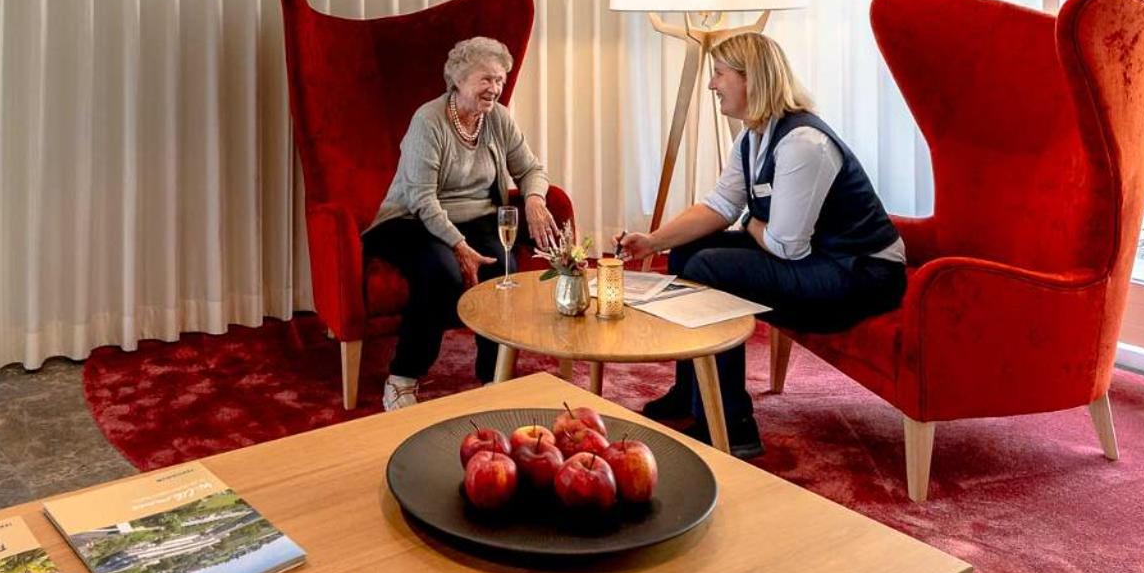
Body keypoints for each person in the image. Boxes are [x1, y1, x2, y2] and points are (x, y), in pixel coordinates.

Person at [620, 32, 906, 457]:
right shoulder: (753, 136)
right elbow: (720, 206)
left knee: (710, 269)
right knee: (686, 254)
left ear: (750, 78)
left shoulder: (803, 144)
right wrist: (652, 242)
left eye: (719, 74)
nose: (712, 84)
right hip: (818, 257)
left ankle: (734, 426)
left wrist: (751, 220)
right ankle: (693, 391)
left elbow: (786, 247)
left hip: (861, 274)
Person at [364, 36, 559, 410]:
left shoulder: (498, 118)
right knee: (441, 273)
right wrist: (458, 246)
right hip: (411, 220)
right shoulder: (429, 121)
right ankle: (403, 376)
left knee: (503, 269)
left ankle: (493, 377)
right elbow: (421, 198)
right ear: (458, 79)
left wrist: (535, 198)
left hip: (477, 217)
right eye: (486, 79)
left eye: (499, 79)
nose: (495, 88)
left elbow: (531, 168)